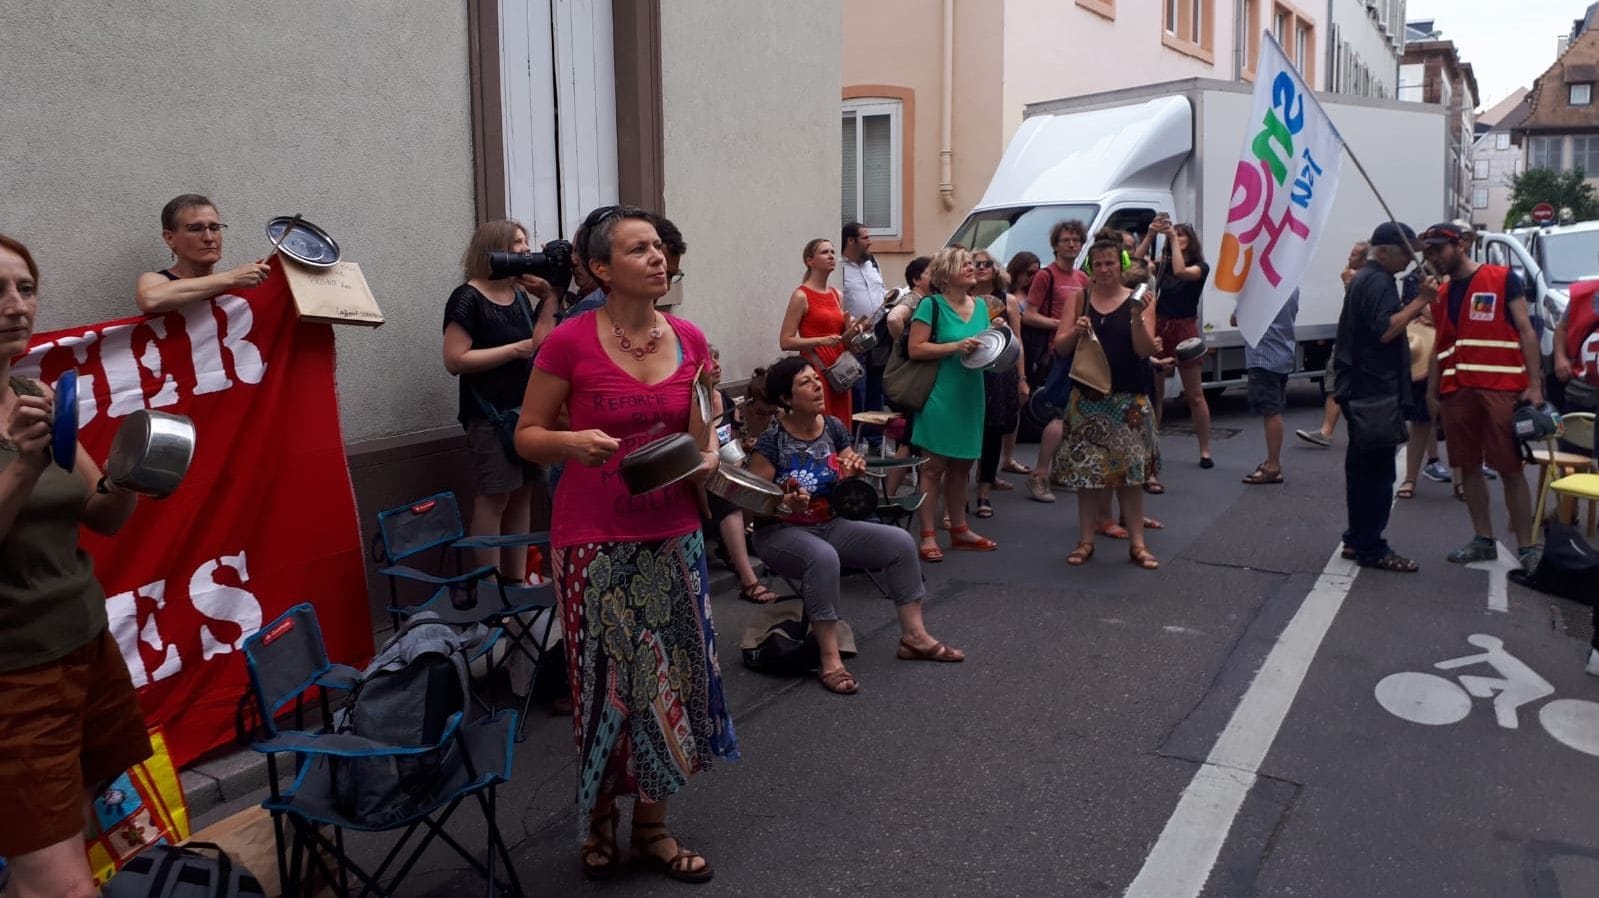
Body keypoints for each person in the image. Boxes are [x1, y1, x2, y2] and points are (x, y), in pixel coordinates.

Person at [515, 206, 737, 883]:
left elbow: (702, 432)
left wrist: (706, 452)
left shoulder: (692, 338)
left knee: (670, 686)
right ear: (602, 269)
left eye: (659, 248)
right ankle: (598, 825)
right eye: (638, 250)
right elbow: (525, 432)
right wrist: (567, 442)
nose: (656, 259)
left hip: (672, 537)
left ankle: (653, 830)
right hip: (594, 541)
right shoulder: (569, 342)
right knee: (607, 687)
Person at [1, 234, 153, 898]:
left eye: (25, 288)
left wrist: (135, 471)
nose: (15, 306)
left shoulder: (30, 390)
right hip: (14, 677)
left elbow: (102, 513)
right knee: (61, 885)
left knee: (72, 835)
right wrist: (25, 469)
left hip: (85, 646)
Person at [747, 357, 964, 695]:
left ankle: (914, 637)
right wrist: (786, 503)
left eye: (816, 379)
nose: (818, 385)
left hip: (829, 524)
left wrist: (853, 473)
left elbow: (846, 487)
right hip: (780, 533)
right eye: (806, 383)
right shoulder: (771, 441)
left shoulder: (832, 427)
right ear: (786, 399)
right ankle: (830, 658)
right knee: (823, 558)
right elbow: (754, 508)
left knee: (899, 543)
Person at [1419, 221, 1544, 568]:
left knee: (1510, 469)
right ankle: (1483, 539)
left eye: (1438, 248)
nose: (1433, 257)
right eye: (1428, 251)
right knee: (1468, 467)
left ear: (1462, 244)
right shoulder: (1440, 295)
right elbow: (1439, 346)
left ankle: (1527, 547)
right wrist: (1432, 392)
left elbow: (1526, 332)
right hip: (1456, 392)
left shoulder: (1502, 278)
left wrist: (1534, 386)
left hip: (1500, 390)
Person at [443, 219, 559, 584]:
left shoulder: (520, 295)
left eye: (526, 241)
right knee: (495, 497)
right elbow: (455, 360)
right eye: (517, 243)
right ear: (494, 249)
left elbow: (543, 347)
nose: (525, 249)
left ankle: (515, 579)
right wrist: (514, 350)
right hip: (489, 417)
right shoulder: (467, 297)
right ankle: (488, 585)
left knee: (524, 494)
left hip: (524, 413)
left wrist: (550, 298)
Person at [1055, 238, 1163, 570]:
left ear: (1122, 265)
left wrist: (1135, 317)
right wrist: (1076, 331)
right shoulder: (1079, 299)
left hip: (1128, 399)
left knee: (1130, 478)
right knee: (1087, 478)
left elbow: (1146, 351)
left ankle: (1138, 545)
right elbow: (1060, 348)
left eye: (1110, 263)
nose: (1103, 269)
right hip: (1087, 399)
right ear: (1090, 267)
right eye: (1097, 263)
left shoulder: (1140, 299)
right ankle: (1085, 541)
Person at [1335, 222, 1433, 573]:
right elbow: (1386, 330)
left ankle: (1356, 537)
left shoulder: (1367, 278)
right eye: (1407, 253)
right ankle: (1371, 546)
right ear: (1387, 250)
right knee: (1376, 473)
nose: (1411, 260)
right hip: (1372, 389)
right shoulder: (1376, 281)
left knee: (1362, 469)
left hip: (1363, 386)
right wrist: (1421, 300)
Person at [908, 246, 996, 561]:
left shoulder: (982, 307)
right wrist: (955, 346)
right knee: (933, 469)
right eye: (964, 264)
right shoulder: (931, 305)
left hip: (971, 394)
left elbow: (984, 349)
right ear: (946, 272)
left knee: (963, 467)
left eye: (972, 263)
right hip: (940, 395)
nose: (972, 267)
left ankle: (959, 529)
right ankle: (928, 534)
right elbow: (915, 349)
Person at [705, 346, 779, 604]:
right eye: (708, 359)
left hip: (725, 473)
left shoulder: (723, 399)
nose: (715, 364)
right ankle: (749, 581)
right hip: (699, 479)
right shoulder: (691, 403)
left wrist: (743, 448)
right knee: (727, 499)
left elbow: (732, 441)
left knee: (751, 482)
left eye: (717, 357)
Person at [1022, 220, 1089, 502]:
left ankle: (1061, 472)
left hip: (1080, 353)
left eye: (1076, 240)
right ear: (1055, 244)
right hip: (1056, 353)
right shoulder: (1045, 276)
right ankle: (1039, 474)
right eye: (1065, 240)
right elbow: (1029, 314)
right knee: (1059, 415)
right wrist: (1062, 326)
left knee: (1075, 415)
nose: (1071, 244)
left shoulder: (1083, 278)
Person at [1149, 219, 1214, 470]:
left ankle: (1205, 450)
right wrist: (1150, 235)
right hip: (1162, 326)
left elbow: (1181, 272)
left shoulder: (1200, 267)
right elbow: (1135, 264)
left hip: (1185, 328)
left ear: (1190, 240)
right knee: (1156, 394)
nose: (1176, 237)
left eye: (1181, 234)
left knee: (1194, 395)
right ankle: (1151, 449)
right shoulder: (1162, 265)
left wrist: (1172, 240)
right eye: (1174, 234)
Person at [134, 194, 271, 314]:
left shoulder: (234, 287)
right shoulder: (157, 280)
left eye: (214, 228)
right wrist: (232, 278)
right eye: (195, 229)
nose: (209, 238)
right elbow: (150, 299)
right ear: (170, 238)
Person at [779, 239, 868, 422]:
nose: (831, 256)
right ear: (810, 261)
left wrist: (855, 330)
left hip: (841, 369)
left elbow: (843, 338)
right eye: (825, 252)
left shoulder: (837, 295)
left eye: (833, 252)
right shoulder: (801, 295)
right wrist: (820, 341)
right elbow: (785, 341)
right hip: (816, 369)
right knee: (821, 420)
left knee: (840, 423)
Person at [1297, 241, 1367, 449]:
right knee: (1336, 384)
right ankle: (1326, 431)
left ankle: (1334, 431)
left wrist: (1347, 284)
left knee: (1341, 383)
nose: (1349, 258)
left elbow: (1357, 310)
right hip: (1348, 341)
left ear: (1364, 260)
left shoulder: (1363, 281)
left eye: (1354, 255)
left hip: (1355, 343)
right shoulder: (1362, 278)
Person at [1239, 290, 1300, 485]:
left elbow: (1236, 319)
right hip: (1282, 351)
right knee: (1275, 409)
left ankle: (1273, 466)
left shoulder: (1261, 289)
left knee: (1271, 412)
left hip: (1263, 356)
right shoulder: (1291, 285)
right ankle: (1272, 462)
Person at [840, 222, 888, 417]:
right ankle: (856, 437)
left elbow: (881, 291)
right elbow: (838, 302)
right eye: (865, 238)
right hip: (855, 338)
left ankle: (875, 441)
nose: (870, 242)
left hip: (879, 334)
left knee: (877, 388)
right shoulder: (839, 268)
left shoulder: (873, 263)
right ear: (851, 240)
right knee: (858, 389)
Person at [1000, 251, 1041, 475]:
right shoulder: (1006, 295)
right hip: (1013, 351)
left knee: (1018, 407)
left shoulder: (1035, 294)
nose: (1033, 278)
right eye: (1028, 273)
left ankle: (1009, 456)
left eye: (1037, 272)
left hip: (1033, 349)